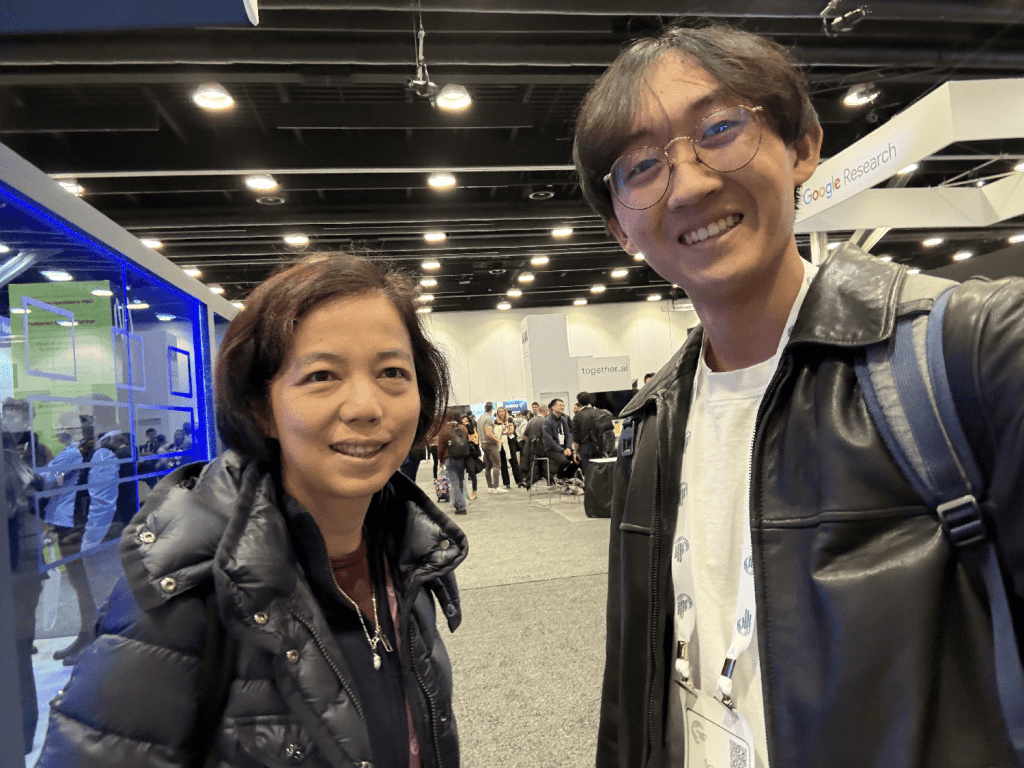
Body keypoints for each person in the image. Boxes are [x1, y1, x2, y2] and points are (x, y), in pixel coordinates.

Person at [574, 20, 1024, 768]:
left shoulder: (970, 349)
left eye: (720, 128)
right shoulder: (652, 422)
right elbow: (635, 692)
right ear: (621, 226)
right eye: (640, 167)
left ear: (804, 148)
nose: (687, 183)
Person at [37, 252, 466, 768]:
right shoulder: (183, 589)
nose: (365, 406)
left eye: (392, 372)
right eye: (322, 376)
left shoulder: (410, 556)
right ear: (262, 407)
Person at [437, 408, 470, 516]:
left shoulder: (444, 429)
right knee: (460, 482)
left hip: (449, 458)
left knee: (454, 483)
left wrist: (440, 459)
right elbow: (467, 442)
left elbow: (441, 446)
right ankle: (457, 503)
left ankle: (461, 507)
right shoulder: (463, 428)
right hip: (462, 458)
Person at [541, 399, 576, 482]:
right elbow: (548, 440)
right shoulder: (547, 421)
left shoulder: (563, 419)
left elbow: (568, 435)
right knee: (564, 461)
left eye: (563, 405)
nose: (562, 407)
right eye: (559, 405)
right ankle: (559, 476)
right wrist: (562, 450)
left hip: (564, 448)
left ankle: (564, 476)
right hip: (551, 449)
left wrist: (568, 447)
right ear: (553, 407)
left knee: (577, 459)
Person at [571, 391, 601, 476]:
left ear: (579, 403)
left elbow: (576, 438)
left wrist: (576, 453)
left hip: (585, 449)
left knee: (588, 474)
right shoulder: (599, 412)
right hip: (600, 447)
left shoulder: (577, 417)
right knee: (599, 474)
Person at [494, 406, 524, 489]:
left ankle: (519, 481)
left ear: (505, 412)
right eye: (499, 411)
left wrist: (503, 431)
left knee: (513, 461)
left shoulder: (510, 419)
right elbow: (496, 432)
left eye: (502, 411)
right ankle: (506, 483)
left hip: (511, 442)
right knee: (503, 463)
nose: (501, 413)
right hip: (501, 443)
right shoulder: (495, 421)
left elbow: (511, 430)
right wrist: (503, 430)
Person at [477, 401, 503, 493]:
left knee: (488, 466)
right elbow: (489, 433)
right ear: (491, 409)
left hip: (483, 444)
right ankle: (496, 487)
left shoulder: (480, 419)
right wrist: (497, 440)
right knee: (497, 465)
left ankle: (490, 487)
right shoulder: (488, 419)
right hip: (490, 444)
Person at [461, 413, 480, 500]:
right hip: (461, 453)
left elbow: (474, 438)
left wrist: (467, 427)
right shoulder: (459, 429)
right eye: (463, 421)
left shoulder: (472, 428)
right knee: (461, 474)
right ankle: (464, 493)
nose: (465, 422)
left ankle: (474, 491)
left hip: (470, 453)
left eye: (466, 421)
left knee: (472, 473)